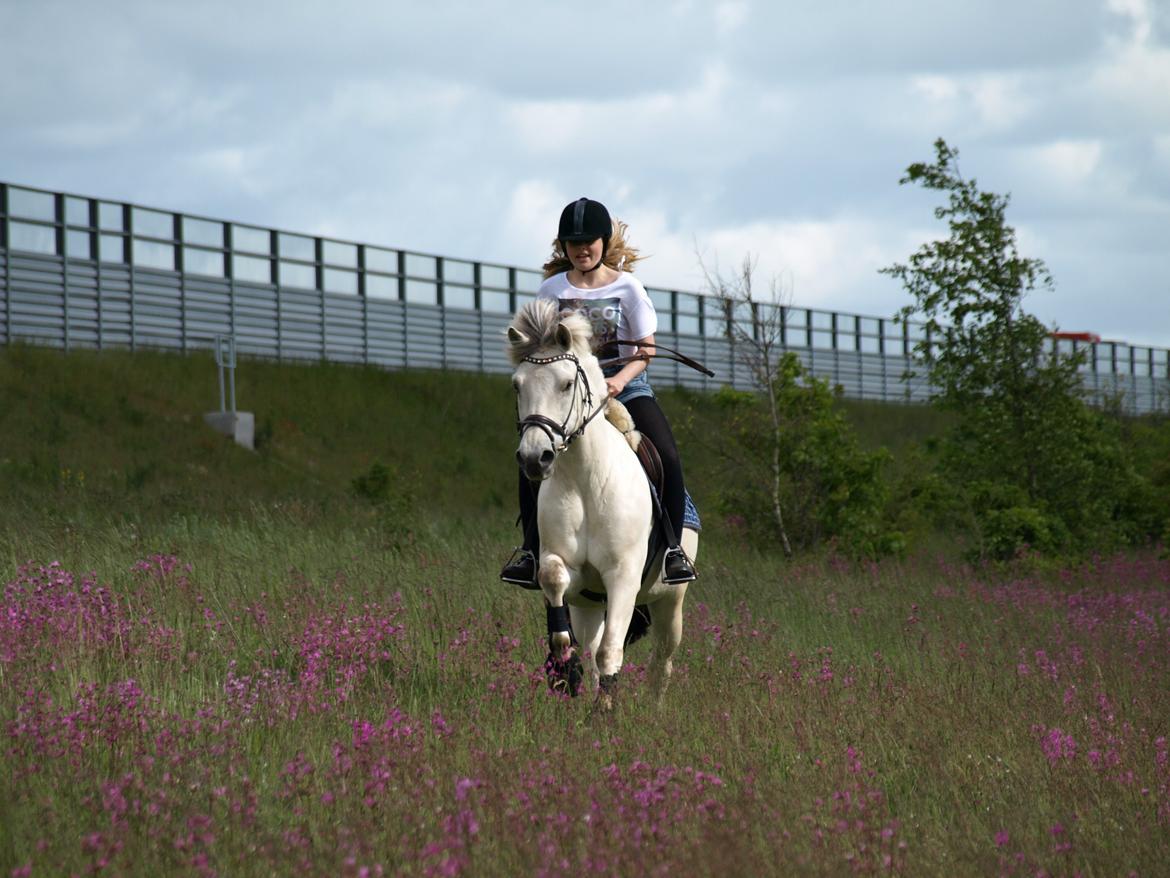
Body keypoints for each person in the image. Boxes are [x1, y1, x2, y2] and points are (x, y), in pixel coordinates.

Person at [501, 196, 697, 587]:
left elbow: (646, 349)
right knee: (530, 460)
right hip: (569, 393)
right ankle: (530, 552)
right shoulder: (552, 289)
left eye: (588, 241)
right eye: (573, 242)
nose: (581, 249)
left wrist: (620, 380)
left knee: (667, 455)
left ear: (604, 242)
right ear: (564, 246)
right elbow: (542, 347)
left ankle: (673, 550)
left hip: (624, 387)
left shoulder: (628, 288)